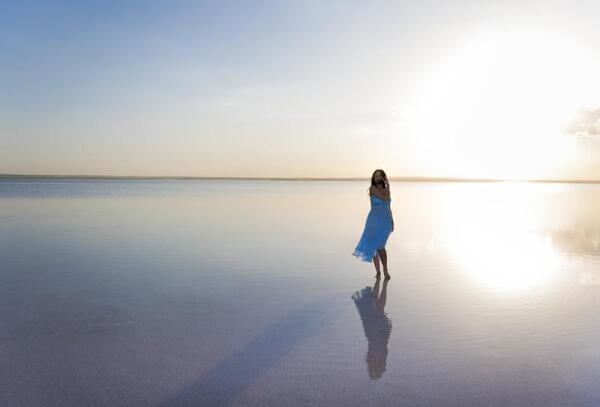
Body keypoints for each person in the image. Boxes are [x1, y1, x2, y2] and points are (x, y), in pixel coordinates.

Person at [352, 169, 394, 279]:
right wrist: (388, 187)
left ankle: (385, 269)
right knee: (375, 246)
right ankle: (378, 271)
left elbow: (388, 205)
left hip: (385, 221)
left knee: (381, 246)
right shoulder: (372, 189)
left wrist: (392, 220)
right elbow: (384, 198)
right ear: (373, 178)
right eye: (375, 176)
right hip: (374, 222)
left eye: (379, 176)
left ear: (383, 177)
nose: (377, 178)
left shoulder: (385, 190)